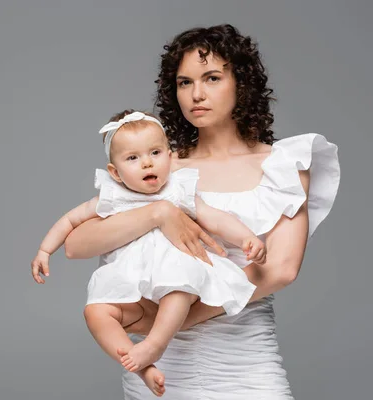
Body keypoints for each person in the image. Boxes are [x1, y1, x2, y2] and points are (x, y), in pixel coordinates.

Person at [63, 24, 340, 399]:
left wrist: (168, 325)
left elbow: (281, 269)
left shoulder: (283, 165)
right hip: (159, 371)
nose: (196, 94)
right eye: (184, 82)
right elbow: (76, 244)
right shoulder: (159, 166)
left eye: (211, 78)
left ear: (241, 81)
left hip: (240, 360)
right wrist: (158, 213)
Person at [31, 109, 263, 396]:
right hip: (134, 287)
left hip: (177, 272)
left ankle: (155, 344)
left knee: (179, 288)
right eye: (133, 158)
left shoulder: (178, 190)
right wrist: (45, 250)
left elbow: (213, 218)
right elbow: (70, 221)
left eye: (155, 152)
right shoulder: (112, 195)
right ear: (114, 172)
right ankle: (141, 365)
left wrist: (246, 238)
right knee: (96, 312)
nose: (147, 163)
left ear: (169, 155)